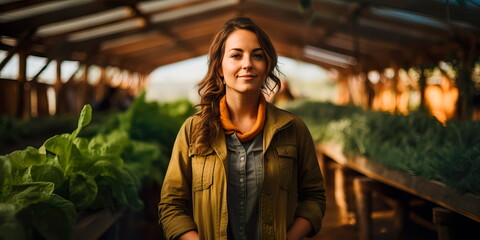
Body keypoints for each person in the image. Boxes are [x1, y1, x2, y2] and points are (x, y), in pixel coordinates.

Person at [158, 16, 326, 240]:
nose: (247, 63)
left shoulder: (293, 129)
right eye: (236, 55)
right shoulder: (193, 130)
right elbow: (171, 205)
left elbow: (314, 197)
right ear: (219, 67)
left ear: (266, 66)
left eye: (257, 55)